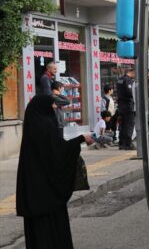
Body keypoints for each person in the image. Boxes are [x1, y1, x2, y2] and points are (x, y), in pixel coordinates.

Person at [16, 95, 94, 249]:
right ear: (44, 107)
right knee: (54, 229)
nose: (54, 107)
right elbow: (58, 153)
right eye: (52, 104)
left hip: (33, 189)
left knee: (37, 231)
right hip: (47, 192)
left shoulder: (32, 125)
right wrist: (81, 139)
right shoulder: (46, 125)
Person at [117, 67, 136, 150]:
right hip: (128, 105)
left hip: (121, 105)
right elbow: (130, 92)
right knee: (129, 125)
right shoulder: (128, 80)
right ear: (132, 71)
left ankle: (121, 143)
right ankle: (128, 143)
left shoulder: (119, 79)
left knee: (123, 125)